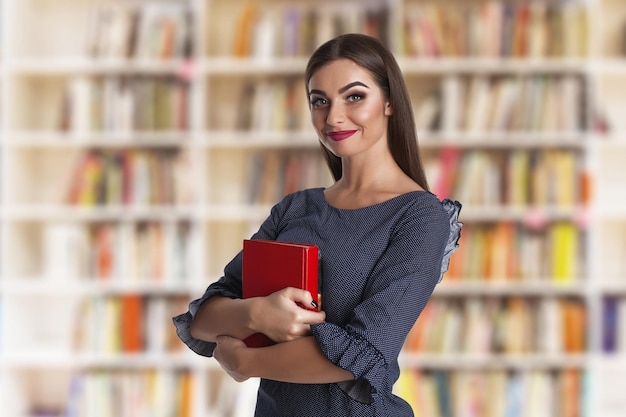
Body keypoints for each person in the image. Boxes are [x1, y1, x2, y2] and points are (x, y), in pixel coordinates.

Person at [173, 33, 462, 416]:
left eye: (354, 96)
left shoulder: (420, 217)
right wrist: (258, 315)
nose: (334, 117)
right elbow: (204, 318)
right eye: (319, 101)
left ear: (389, 102)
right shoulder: (295, 207)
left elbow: (364, 355)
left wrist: (249, 362)